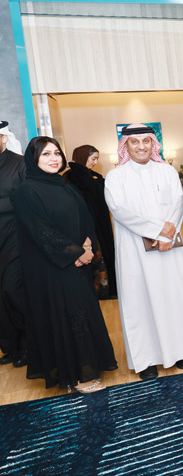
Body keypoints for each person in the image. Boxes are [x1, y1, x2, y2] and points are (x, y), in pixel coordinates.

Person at [14, 137, 116, 393]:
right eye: (46, 154)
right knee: (68, 317)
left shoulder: (64, 185)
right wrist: (76, 254)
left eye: (57, 153)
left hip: (77, 261)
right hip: (51, 267)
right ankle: (77, 376)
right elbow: (41, 232)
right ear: (34, 159)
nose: (54, 159)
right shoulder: (26, 191)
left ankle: (87, 365)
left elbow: (86, 218)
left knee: (82, 312)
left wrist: (88, 247)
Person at [105, 124, 183, 380]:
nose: (141, 147)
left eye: (146, 141)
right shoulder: (116, 177)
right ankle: (146, 359)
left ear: (153, 144)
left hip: (169, 247)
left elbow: (177, 203)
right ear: (125, 146)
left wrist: (166, 235)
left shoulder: (167, 171)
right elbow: (120, 210)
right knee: (139, 302)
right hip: (135, 249)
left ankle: (180, 352)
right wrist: (158, 230)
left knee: (174, 297)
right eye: (134, 142)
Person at [63, 144, 118, 299]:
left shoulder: (95, 177)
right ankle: (99, 289)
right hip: (84, 226)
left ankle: (108, 288)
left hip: (101, 224)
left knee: (104, 256)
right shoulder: (71, 178)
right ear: (83, 157)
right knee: (94, 257)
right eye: (92, 158)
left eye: (96, 159)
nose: (95, 162)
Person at [0, 122, 27, 367]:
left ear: (4, 138)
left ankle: (28, 346)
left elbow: (28, 200)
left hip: (14, 237)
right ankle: (10, 347)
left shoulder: (19, 163)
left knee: (13, 290)